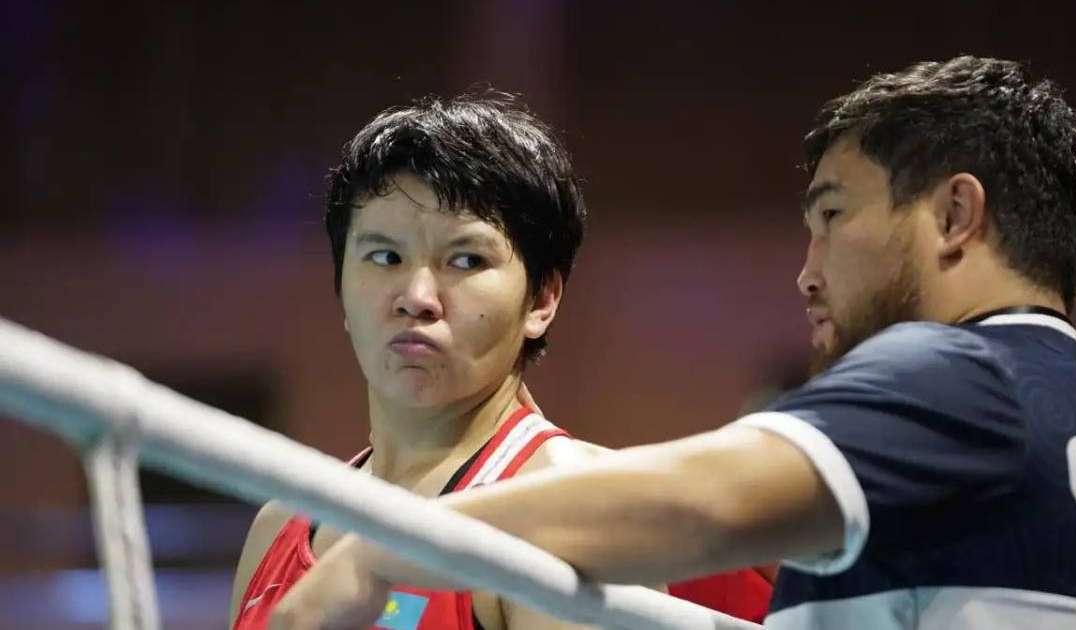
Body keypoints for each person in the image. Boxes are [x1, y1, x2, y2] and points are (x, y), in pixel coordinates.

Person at [270, 56, 1076, 630]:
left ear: (953, 215)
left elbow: (694, 506)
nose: (807, 271)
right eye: (382, 255)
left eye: (831, 217)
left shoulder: (963, 380)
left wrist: (384, 555)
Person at [228, 93, 773, 630]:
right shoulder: (276, 529)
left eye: (466, 259)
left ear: (541, 300)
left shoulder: (570, 509)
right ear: (340, 288)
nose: (416, 295)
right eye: (384, 256)